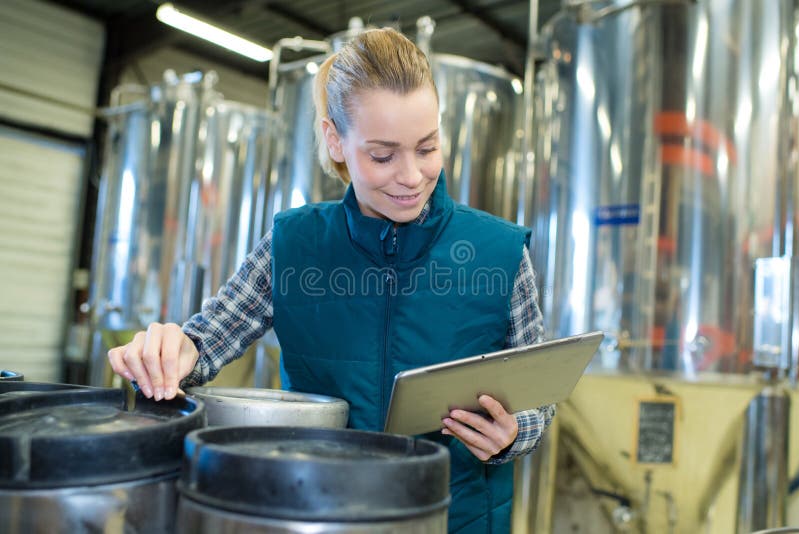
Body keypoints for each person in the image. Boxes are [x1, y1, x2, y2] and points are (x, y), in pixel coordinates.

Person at [108, 27, 554, 534]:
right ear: (335, 140)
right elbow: (207, 341)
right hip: (317, 514)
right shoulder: (294, 245)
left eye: (427, 147)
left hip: (457, 519)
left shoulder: (500, 253)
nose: (412, 176)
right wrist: (170, 353)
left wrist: (515, 432)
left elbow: (538, 395)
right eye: (383, 155)